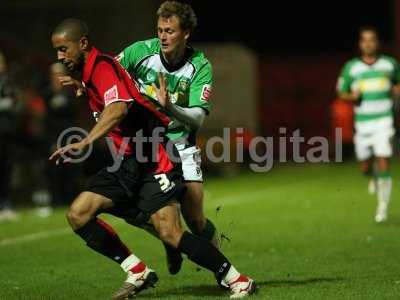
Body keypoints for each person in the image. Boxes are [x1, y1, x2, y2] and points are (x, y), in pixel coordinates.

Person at [50, 18, 256, 299]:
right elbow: (119, 92)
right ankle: (137, 270)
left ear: (83, 43)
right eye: (57, 51)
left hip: (153, 157)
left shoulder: (102, 66)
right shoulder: (92, 73)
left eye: (64, 49)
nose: (60, 57)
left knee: (174, 231)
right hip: (127, 161)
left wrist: (86, 141)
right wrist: (83, 86)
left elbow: (118, 110)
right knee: (79, 213)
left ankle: (238, 279)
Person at [117, 0, 219, 274]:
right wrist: (84, 84)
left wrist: (170, 107)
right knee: (137, 209)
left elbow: (198, 116)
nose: (163, 36)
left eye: (170, 31)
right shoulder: (139, 52)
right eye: (160, 30)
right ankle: (171, 241)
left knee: (196, 220)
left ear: (186, 33)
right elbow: (109, 75)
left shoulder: (199, 66)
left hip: (180, 146)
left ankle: (219, 265)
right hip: (144, 147)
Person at [337, 26, 400, 222]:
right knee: (365, 167)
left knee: (383, 161)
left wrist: (397, 89)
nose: (368, 43)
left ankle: (382, 208)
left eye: (372, 39)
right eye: (364, 40)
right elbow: (341, 92)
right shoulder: (351, 67)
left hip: (384, 120)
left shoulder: (390, 64)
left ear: (377, 42)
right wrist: (351, 96)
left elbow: (397, 82)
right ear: (360, 44)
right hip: (363, 124)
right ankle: (371, 175)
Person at [0, 51, 19, 221]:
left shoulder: (7, 81)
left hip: (7, 133)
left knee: (7, 169)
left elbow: (15, 102)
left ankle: (6, 203)